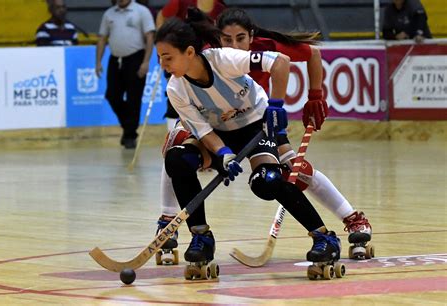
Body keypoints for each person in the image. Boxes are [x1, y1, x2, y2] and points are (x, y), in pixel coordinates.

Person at [155, 8, 341, 273]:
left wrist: (275, 107)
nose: (163, 65)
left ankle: (324, 237)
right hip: (219, 134)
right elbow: (204, 132)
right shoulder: (176, 88)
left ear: (188, 52)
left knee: (268, 181)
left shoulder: (223, 59)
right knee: (177, 159)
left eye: (167, 57)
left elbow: (280, 62)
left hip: (255, 125)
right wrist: (224, 154)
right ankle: (201, 237)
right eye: (160, 58)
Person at [216, 8, 372, 258]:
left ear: (251, 37)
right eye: (227, 39)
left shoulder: (265, 48)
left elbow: (313, 53)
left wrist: (315, 96)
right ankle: (170, 225)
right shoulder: (211, 56)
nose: (234, 46)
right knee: (180, 155)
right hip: (221, 127)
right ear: (218, 38)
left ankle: (353, 218)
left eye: (241, 38)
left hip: (259, 122)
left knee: (296, 170)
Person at [156, 0, 227, 131]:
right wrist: (163, 46)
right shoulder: (182, 1)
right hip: (178, 57)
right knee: (177, 94)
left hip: (205, 60)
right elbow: (162, 15)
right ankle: (175, 134)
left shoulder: (220, 7)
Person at [96, 0, 156, 149]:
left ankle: (129, 136)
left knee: (133, 99)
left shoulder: (141, 11)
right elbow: (102, 38)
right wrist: (98, 62)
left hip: (135, 58)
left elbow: (150, 37)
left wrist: (146, 61)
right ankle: (129, 128)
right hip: (115, 59)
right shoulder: (109, 14)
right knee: (112, 95)